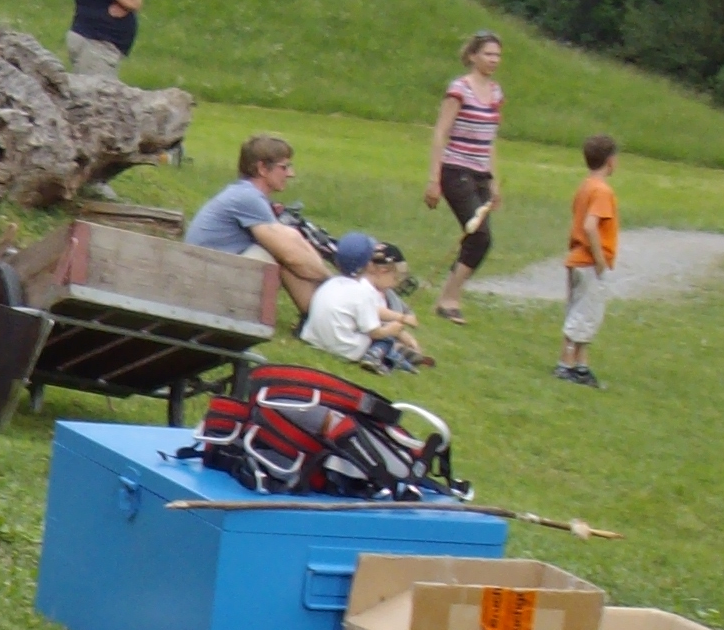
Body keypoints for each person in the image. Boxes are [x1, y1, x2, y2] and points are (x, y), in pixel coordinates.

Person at [183, 134, 333, 314]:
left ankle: (321, 312)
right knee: (279, 253)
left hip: (207, 274)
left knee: (288, 237)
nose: (290, 174)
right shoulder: (248, 198)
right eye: (284, 167)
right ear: (262, 168)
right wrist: (331, 279)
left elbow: (292, 241)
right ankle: (320, 315)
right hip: (205, 285)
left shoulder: (245, 193)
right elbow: (290, 256)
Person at [425, 28, 505, 320]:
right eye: (488, 54)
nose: (493, 60)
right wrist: (434, 179)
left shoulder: (496, 93)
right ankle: (448, 300)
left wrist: (494, 181)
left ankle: (449, 296)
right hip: (456, 168)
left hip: (481, 172)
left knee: (481, 240)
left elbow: (490, 140)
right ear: (473, 56)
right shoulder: (459, 89)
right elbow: (441, 133)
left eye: (497, 55)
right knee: (478, 234)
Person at [300, 234, 431, 376]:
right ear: (368, 264)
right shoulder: (363, 293)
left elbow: (374, 311)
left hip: (313, 338)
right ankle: (376, 358)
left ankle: (398, 356)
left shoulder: (331, 283)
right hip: (343, 349)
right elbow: (374, 332)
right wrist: (392, 330)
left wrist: (400, 319)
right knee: (386, 338)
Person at [557, 132, 619, 387]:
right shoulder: (602, 191)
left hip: (576, 259)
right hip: (589, 262)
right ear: (610, 161)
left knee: (585, 313)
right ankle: (565, 365)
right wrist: (599, 259)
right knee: (583, 315)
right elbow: (590, 226)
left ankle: (581, 367)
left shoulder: (585, 186)